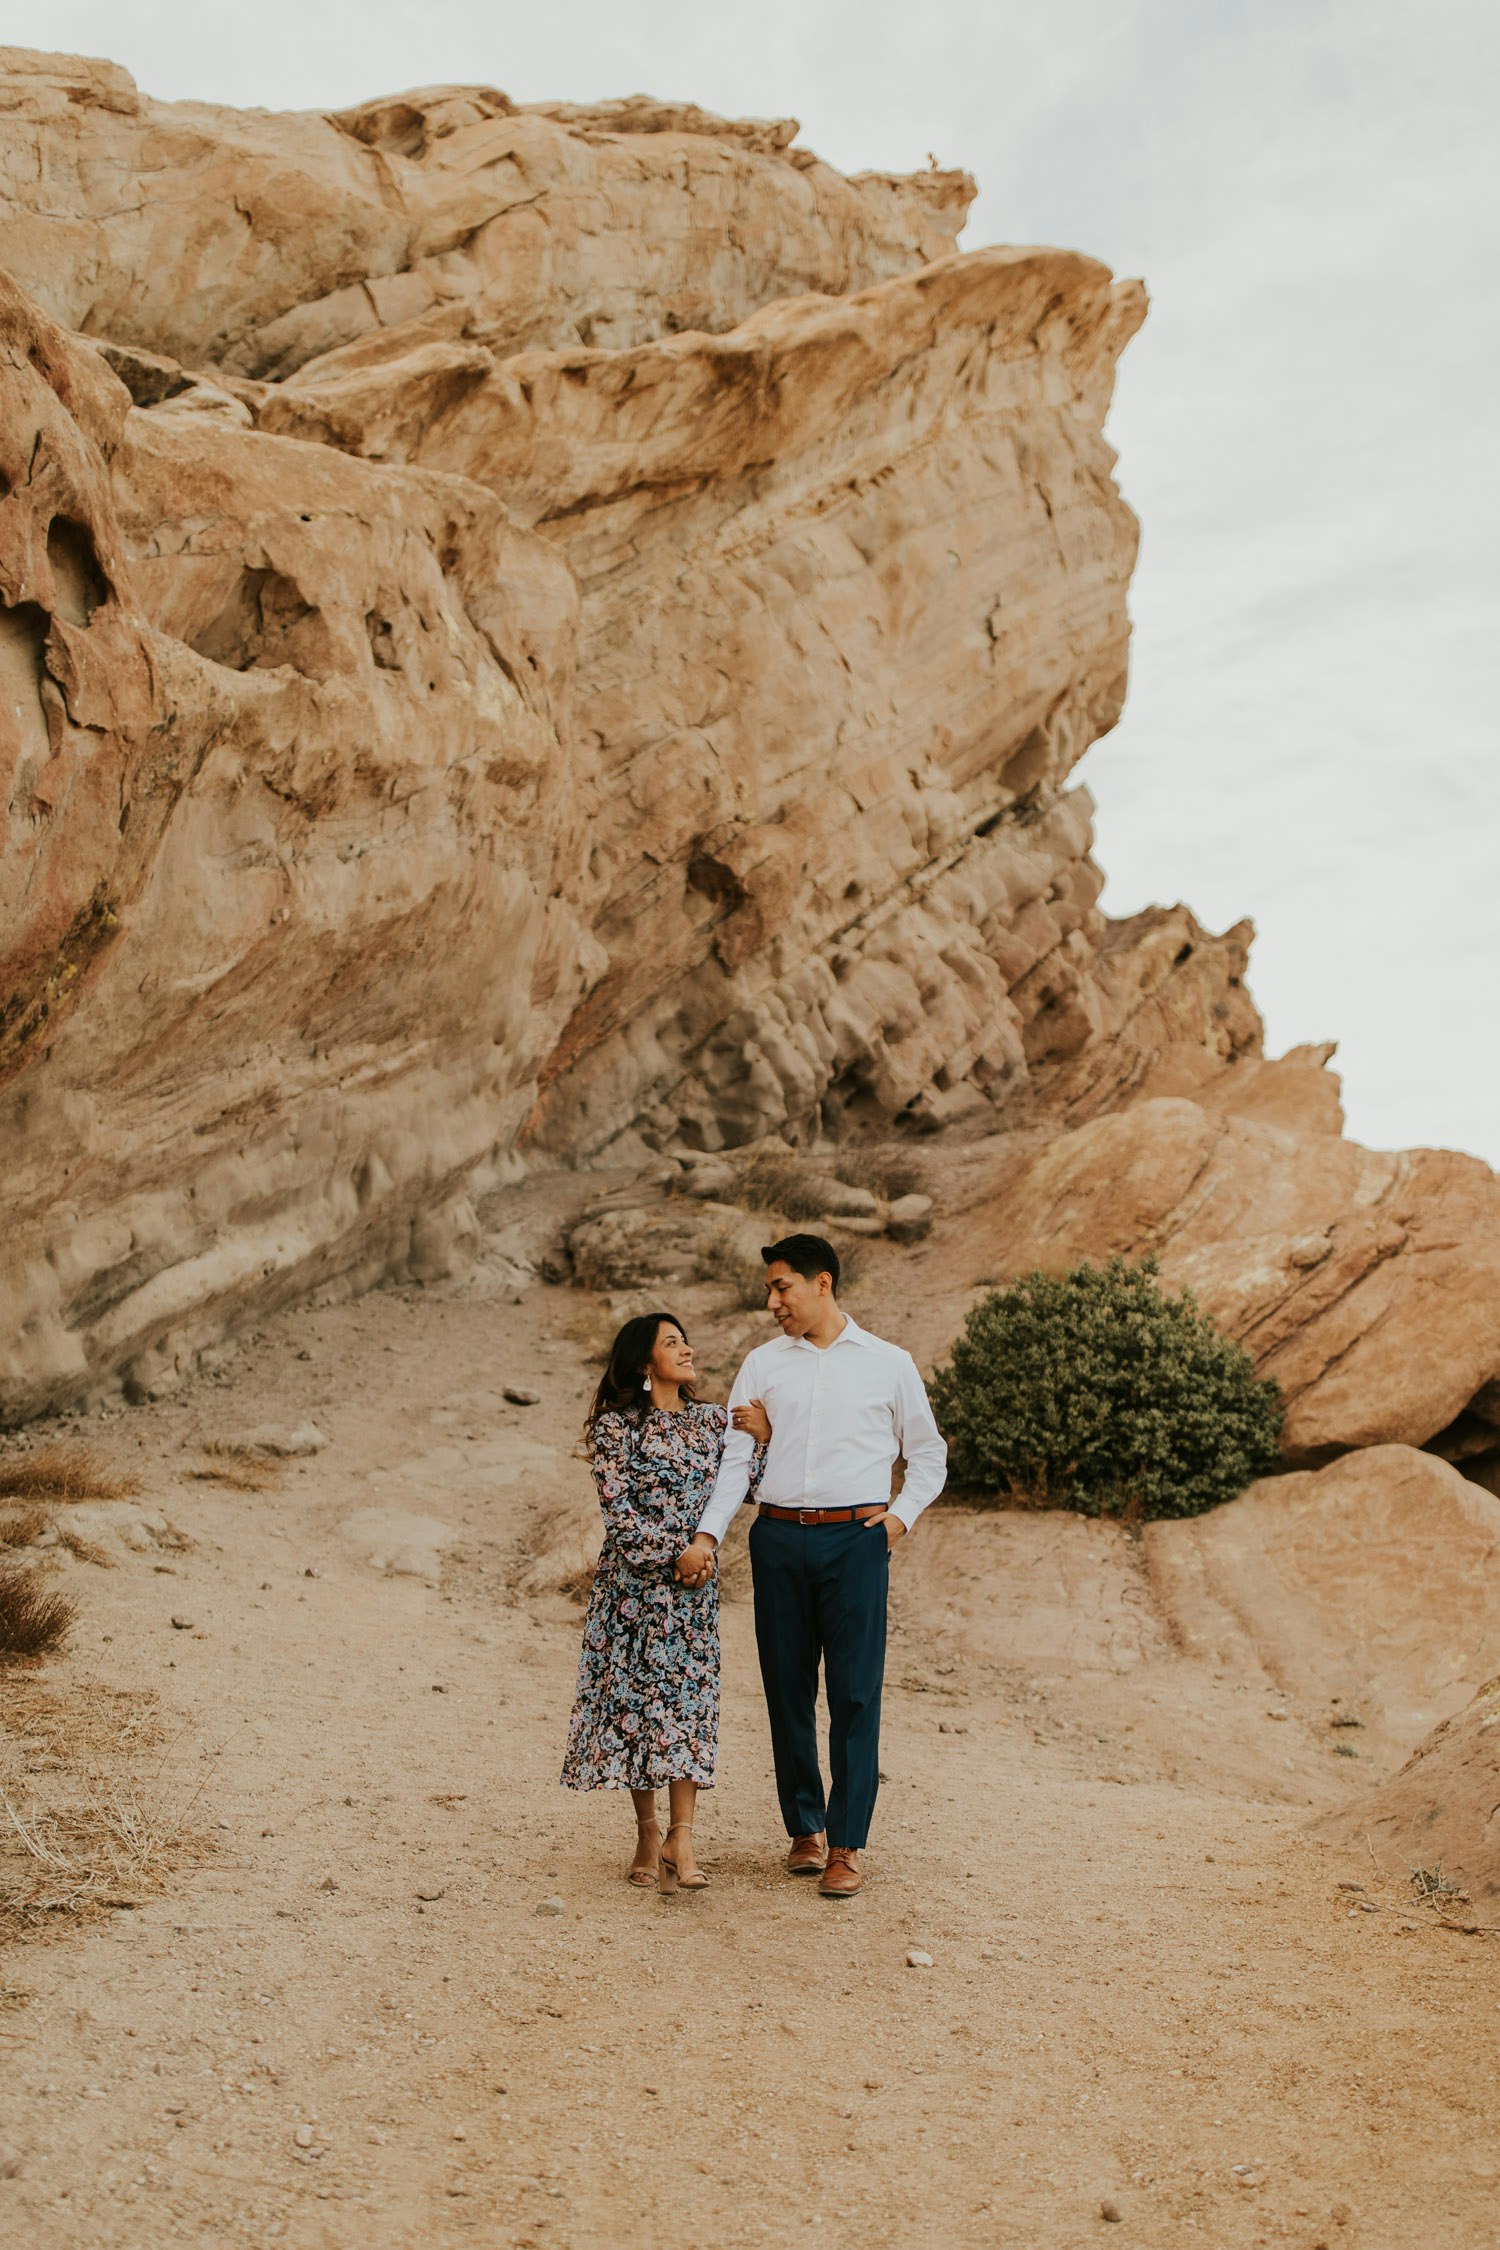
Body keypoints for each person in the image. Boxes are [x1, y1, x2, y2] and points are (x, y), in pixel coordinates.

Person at [675, 1233, 946, 1899]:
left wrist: (898, 1519)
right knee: (787, 1688)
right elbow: (737, 1461)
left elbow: (929, 1453)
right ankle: (804, 1827)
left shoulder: (889, 1363)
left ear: (822, 1284)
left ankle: (846, 1847)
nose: (773, 1301)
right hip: (777, 1540)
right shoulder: (763, 1364)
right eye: (770, 1289)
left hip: (856, 1541)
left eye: (782, 1287)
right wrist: (709, 1537)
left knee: (855, 1694)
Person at [561, 1312, 769, 1893]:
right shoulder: (616, 1429)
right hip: (633, 1592)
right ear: (644, 1364)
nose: (687, 1349)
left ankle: (684, 1834)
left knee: (687, 1709)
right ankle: (648, 1831)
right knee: (640, 1709)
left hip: (694, 1591)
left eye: (684, 1340)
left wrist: (763, 1440)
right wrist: (675, 1553)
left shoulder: (711, 1422)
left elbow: (751, 1486)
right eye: (671, 1343)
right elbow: (619, 1516)